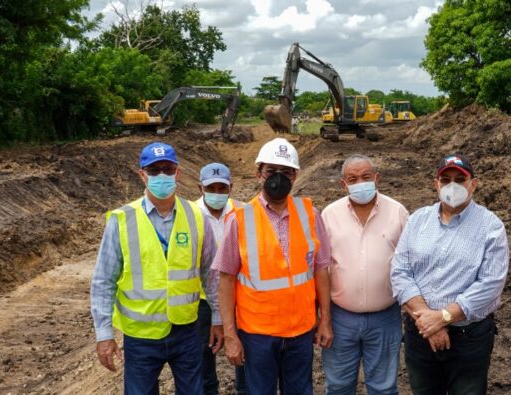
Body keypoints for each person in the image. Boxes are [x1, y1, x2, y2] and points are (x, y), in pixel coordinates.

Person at [90, 142, 223, 394]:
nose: (161, 175)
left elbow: (211, 273)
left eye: (167, 169)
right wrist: (104, 335)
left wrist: (217, 317)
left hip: (186, 332)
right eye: (154, 170)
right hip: (141, 337)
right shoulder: (122, 220)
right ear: (142, 174)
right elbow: (103, 281)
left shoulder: (196, 215)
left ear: (178, 173)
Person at [214, 137, 333, 395]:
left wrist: (325, 320)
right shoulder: (239, 220)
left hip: (301, 332)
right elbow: (226, 280)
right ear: (259, 174)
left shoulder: (311, 215)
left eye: (286, 172)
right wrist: (231, 335)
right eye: (271, 171)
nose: (278, 178)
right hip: (257, 334)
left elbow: (321, 269)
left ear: (296, 175)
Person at [391, 153, 509, 394]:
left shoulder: (491, 226)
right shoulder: (417, 221)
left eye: (459, 179)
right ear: (436, 184)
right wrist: (428, 320)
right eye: (446, 180)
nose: (452, 185)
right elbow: (400, 271)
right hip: (420, 334)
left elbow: (490, 284)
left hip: (469, 339)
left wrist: (443, 316)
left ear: (473, 184)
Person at [321, 154, 409, 394]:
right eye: (353, 178)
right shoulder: (329, 215)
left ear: (377, 178)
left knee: (383, 387)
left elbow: (410, 262)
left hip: (385, 318)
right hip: (340, 318)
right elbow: (321, 267)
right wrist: (323, 318)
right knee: (338, 385)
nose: (360, 182)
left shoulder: (398, 213)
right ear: (343, 184)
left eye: (366, 177)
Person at [195, 162, 239, 394]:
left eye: (222, 188)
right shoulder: (190, 215)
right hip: (202, 302)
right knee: (204, 360)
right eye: (211, 188)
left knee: (243, 358)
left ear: (231, 187)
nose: (217, 194)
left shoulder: (243, 212)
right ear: (200, 187)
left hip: (239, 298)